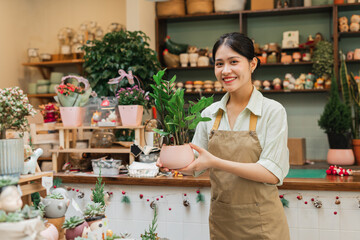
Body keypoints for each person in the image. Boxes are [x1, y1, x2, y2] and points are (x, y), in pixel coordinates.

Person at [157, 32, 290, 239]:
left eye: (234, 61)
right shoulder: (209, 114)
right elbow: (196, 165)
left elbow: (271, 173)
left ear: (252, 64)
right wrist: (173, 162)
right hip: (223, 224)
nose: (226, 70)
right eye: (219, 64)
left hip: (263, 225)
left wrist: (216, 162)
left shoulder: (273, 111)